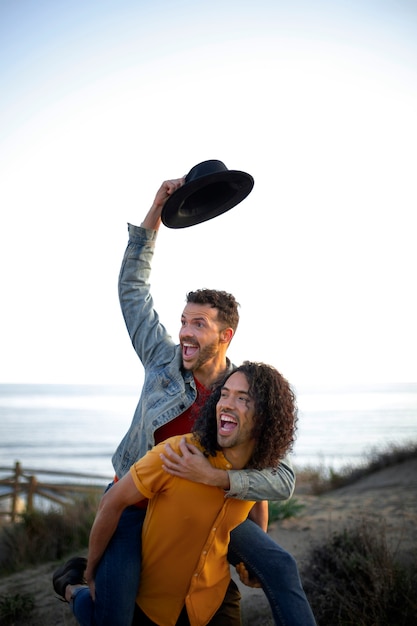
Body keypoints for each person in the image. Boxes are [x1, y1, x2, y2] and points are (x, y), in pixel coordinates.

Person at [53, 176, 316, 625]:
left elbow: (267, 472)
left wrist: (249, 540)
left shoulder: (242, 391)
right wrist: (157, 207)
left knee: (276, 566)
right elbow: (132, 290)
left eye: (197, 324)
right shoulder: (162, 359)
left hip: (209, 507)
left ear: (225, 335)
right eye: (182, 321)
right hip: (138, 506)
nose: (185, 333)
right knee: (112, 615)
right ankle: (74, 587)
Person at [54, 361, 299, 626]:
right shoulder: (176, 455)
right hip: (152, 606)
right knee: (107, 615)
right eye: (224, 394)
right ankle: (71, 589)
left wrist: (252, 562)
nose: (226, 403)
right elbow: (110, 503)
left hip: (211, 601)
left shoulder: (256, 469)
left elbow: (258, 503)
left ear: (265, 415)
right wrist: (90, 571)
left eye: (242, 398)